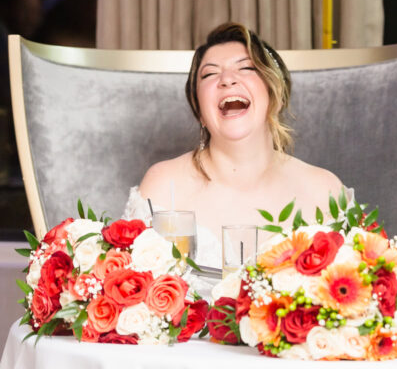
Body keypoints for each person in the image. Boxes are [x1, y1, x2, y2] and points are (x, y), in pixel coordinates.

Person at [123, 22, 345, 265]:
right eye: (209, 74)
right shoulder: (164, 187)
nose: (227, 79)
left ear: (275, 94)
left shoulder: (324, 191)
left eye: (247, 68)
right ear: (199, 111)